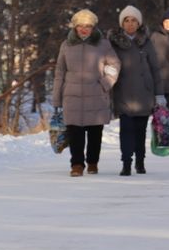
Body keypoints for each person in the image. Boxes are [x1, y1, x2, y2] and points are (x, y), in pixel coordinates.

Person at [51, 9, 121, 176]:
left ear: (93, 27)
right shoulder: (66, 45)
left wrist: (105, 83)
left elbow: (114, 65)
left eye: (88, 26)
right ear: (75, 27)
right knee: (75, 132)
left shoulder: (103, 44)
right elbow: (60, 72)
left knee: (95, 132)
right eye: (81, 26)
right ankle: (76, 164)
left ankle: (92, 162)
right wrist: (57, 99)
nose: (84, 29)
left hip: (96, 95)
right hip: (72, 96)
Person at [110, 5, 164, 176]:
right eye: (127, 20)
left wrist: (159, 94)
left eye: (134, 21)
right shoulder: (114, 43)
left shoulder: (146, 42)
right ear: (122, 23)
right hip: (123, 93)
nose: (130, 24)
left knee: (140, 131)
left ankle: (140, 161)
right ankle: (126, 163)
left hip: (144, 94)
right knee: (125, 130)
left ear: (139, 23)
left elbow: (155, 69)